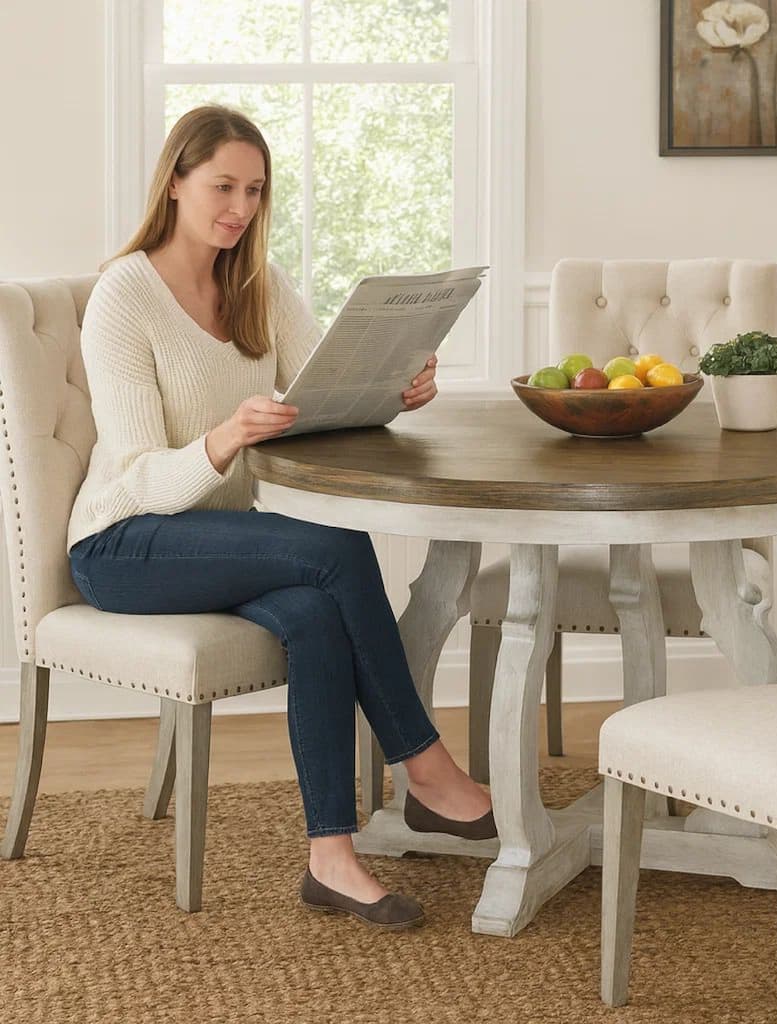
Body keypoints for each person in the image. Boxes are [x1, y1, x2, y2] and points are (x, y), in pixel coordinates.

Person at [67, 104, 494, 930]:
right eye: (222, 185)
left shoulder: (257, 284)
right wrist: (226, 437)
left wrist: (396, 391)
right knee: (336, 550)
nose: (239, 206)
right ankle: (428, 767)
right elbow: (141, 476)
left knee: (312, 613)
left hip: (219, 539)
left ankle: (329, 858)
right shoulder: (125, 293)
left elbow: (322, 399)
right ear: (177, 182)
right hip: (124, 541)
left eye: (255, 190)